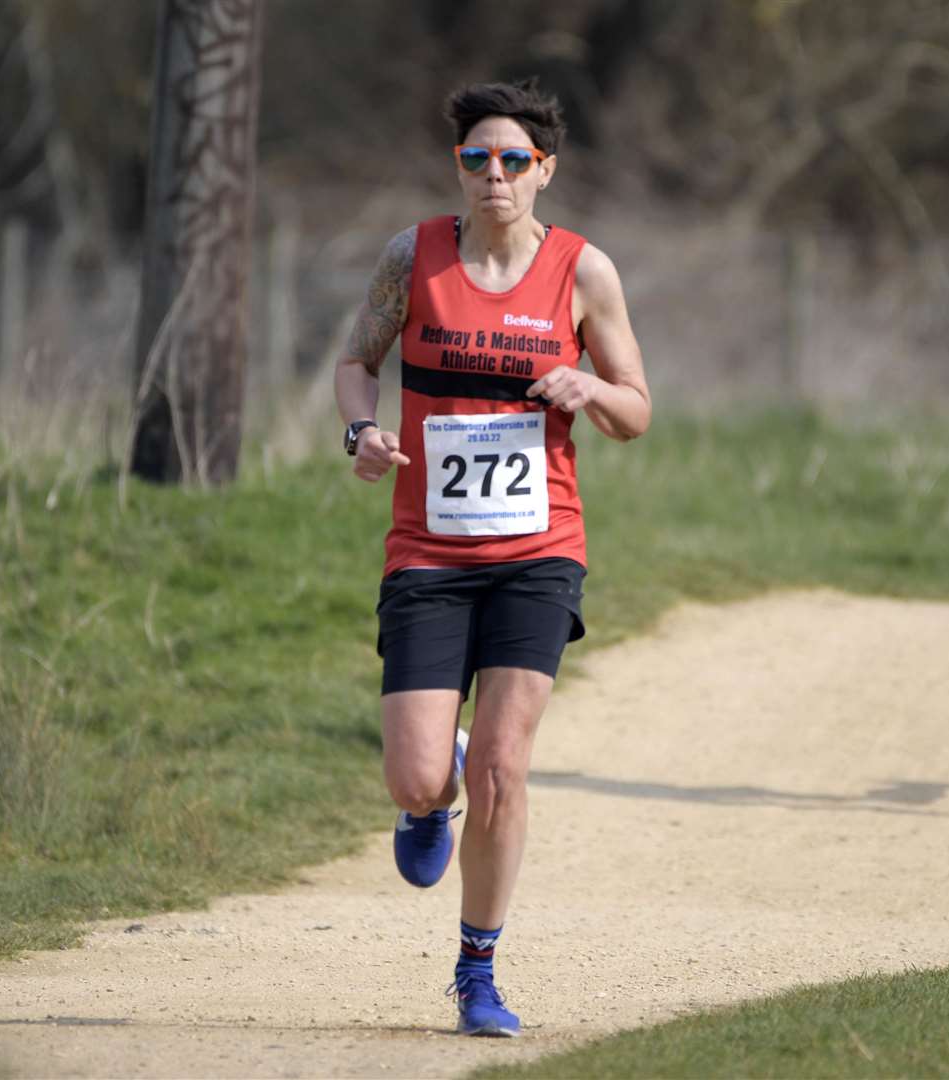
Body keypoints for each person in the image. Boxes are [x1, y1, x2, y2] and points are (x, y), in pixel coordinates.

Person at [332, 78, 651, 1035]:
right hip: (428, 551)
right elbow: (358, 359)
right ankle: (435, 789)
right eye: (478, 158)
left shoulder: (585, 273)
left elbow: (637, 412)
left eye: (515, 160)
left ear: (546, 171)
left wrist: (587, 384)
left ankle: (478, 972)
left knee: (506, 770)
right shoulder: (414, 256)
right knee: (418, 777)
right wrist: (362, 433)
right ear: (458, 168)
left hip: (538, 552)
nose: (496, 175)